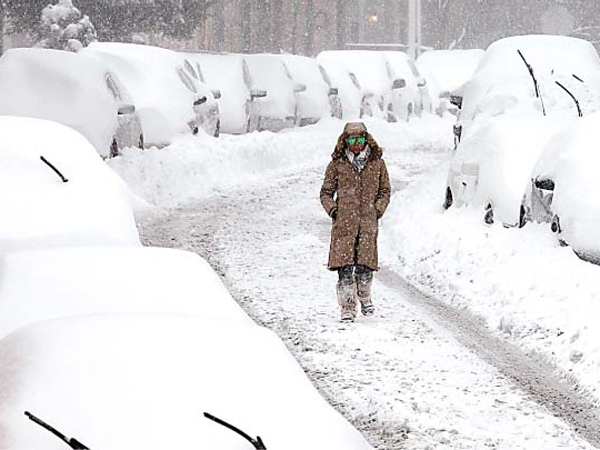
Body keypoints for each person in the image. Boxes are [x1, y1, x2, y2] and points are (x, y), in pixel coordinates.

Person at [320, 122, 391, 322]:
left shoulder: (377, 163)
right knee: (344, 269)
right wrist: (333, 210)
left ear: (366, 140)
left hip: (367, 224)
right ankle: (348, 307)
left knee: (365, 267)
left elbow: (385, 190)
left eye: (360, 139)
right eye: (352, 140)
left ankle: (365, 296)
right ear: (345, 141)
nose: (356, 144)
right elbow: (326, 192)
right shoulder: (337, 164)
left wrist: (378, 209)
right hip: (344, 225)